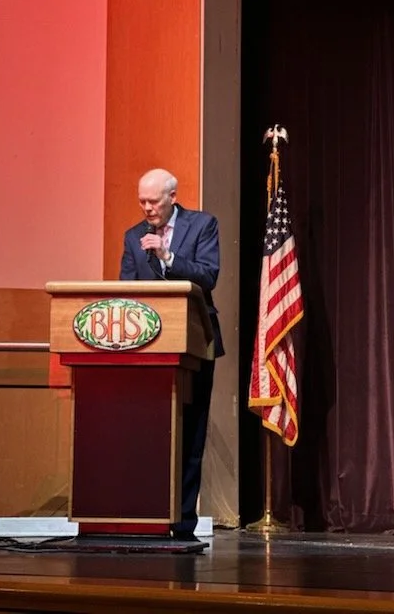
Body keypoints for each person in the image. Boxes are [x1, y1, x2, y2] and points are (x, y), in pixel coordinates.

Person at [119, 168, 224, 540]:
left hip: (194, 343)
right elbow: (127, 291)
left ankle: (182, 524)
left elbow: (208, 276)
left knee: (190, 435)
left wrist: (168, 256)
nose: (147, 209)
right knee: (150, 434)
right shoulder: (133, 236)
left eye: (153, 201)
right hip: (148, 349)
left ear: (172, 197)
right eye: (142, 202)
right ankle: (145, 517)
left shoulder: (203, 225)